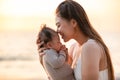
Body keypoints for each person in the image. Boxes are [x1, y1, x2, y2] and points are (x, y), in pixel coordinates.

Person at [55, 0, 115, 80]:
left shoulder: (90, 47)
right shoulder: (73, 49)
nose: (57, 31)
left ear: (73, 22)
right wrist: (46, 59)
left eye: (58, 25)